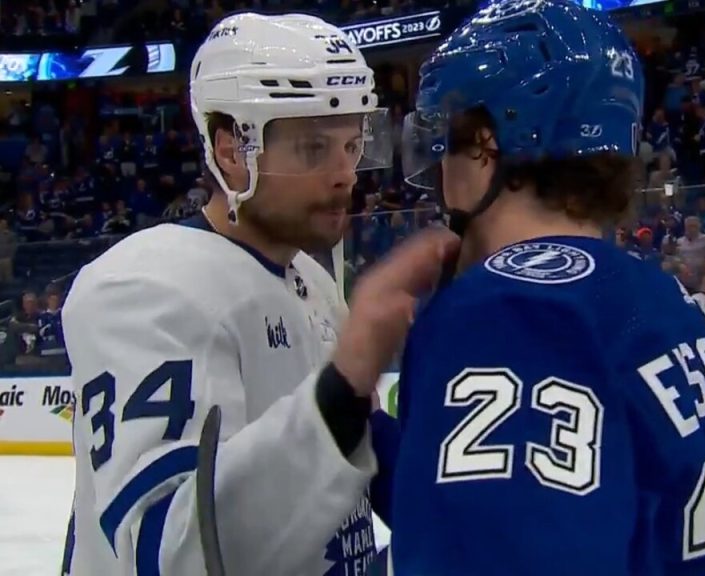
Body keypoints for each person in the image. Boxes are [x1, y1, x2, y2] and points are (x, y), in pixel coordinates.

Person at [60, 13, 459, 575]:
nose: (346, 173)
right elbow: (168, 552)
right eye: (314, 148)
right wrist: (340, 394)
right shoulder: (144, 287)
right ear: (232, 151)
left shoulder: (313, 280)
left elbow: (354, 457)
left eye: (351, 145)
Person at [388, 0, 705, 574]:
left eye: (446, 138)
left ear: (486, 144)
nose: (435, 170)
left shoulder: (504, 311)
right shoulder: (655, 298)